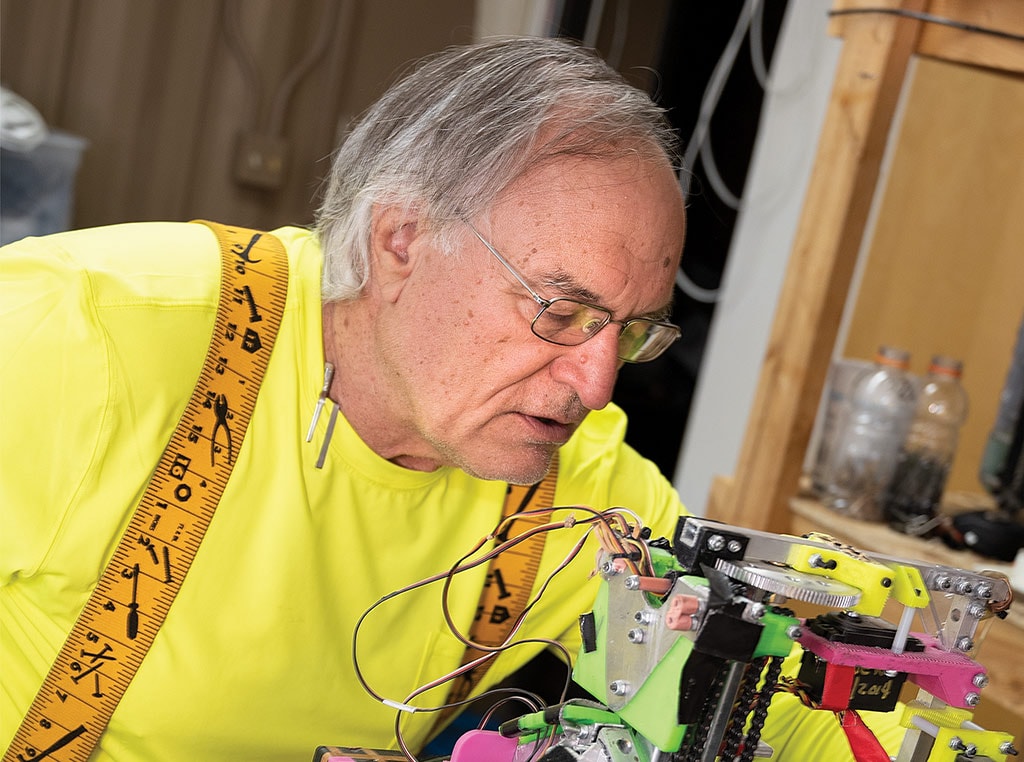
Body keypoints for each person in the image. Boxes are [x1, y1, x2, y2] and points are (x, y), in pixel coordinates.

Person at [1, 36, 899, 762]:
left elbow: (789, 704)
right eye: (559, 310)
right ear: (401, 240)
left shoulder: (576, 489)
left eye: (628, 332)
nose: (594, 385)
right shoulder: (82, 335)